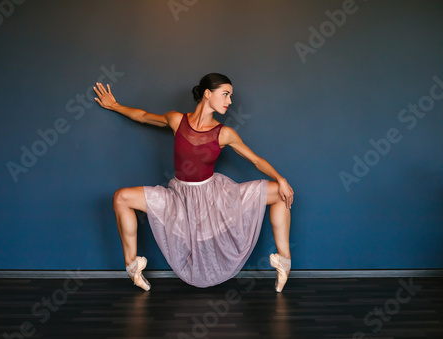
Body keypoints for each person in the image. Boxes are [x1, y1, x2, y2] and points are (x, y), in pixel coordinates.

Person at [93, 73, 294, 292]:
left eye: (231, 96)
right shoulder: (177, 120)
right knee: (121, 197)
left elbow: (255, 160)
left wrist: (280, 179)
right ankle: (133, 267)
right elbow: (142, 116)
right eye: (225, 95)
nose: (229, 101)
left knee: (283, 192)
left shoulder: (224, 133)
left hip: (213, 200)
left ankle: (284, 262)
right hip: (178, 198)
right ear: (207, 94)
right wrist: (115, 106)